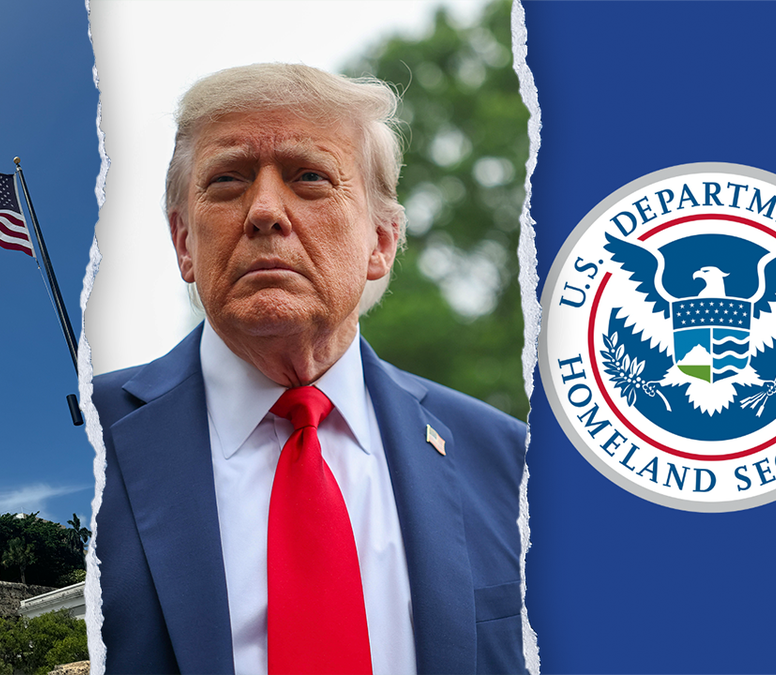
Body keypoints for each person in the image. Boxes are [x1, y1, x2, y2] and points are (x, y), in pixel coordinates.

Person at [91, 63, 528, 675]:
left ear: (381, 242)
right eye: (227, 180)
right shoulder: (86, 438)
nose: (265, 211)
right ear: (185, 243)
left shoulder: (510, 463)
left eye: (310, 177)